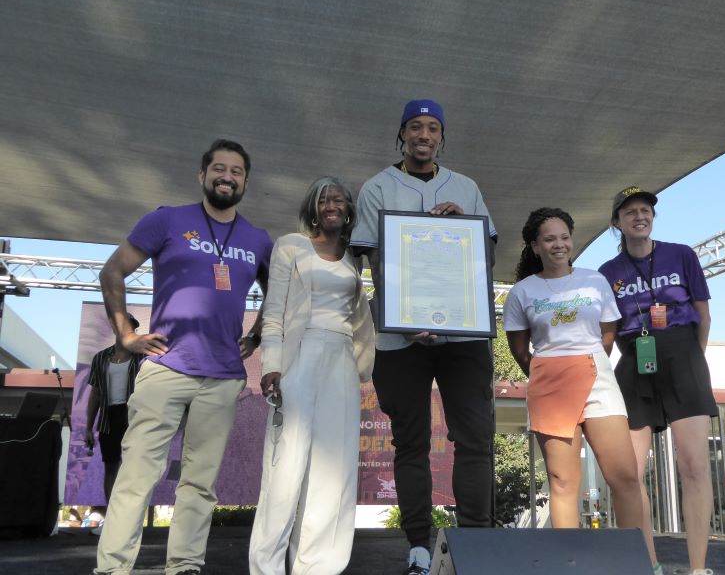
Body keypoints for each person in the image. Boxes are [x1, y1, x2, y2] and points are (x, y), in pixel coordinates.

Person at [94, 139, 272, 575]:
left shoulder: (258, 239)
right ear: (202, 175)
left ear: (246, 181)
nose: (226, 176)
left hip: (224, 376)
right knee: (136, 475)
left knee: (199, 483)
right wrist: (125, 336)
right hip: (165, 369)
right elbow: (112, 271)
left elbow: (279, 295)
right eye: (219, 169)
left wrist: (259, 332)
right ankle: (112, 568)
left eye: (236, 171)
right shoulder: (167, 220)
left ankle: (185, 565)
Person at [350, 99, 496, 575]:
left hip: (463, 336)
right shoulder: (376, 187)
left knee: (473, 438)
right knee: (409, 442)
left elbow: (484, 252)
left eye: (433, 128)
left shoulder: (467, 188)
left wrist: (459, 229)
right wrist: (403, 314)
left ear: (441, 138)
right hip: (400, 337)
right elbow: (371, 258)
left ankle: (475, 541)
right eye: (415, 126)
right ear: (402, 135)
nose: (424, 135)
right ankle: (417, 546)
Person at [249, 176, 375, 575]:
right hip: (298, 354)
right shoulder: (291, 245)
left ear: (349, 209)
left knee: (333, 469)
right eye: (324, 199)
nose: (331, 204)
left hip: (341, 358)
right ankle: (267, 566)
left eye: (338, 199)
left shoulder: (355, 257)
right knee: (286, 464)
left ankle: (318, 566)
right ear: (313, 207)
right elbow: (274, 311)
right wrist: (271, 364)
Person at [599, 186, 716, 575]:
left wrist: (688, 358)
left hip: (683, 356)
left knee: (694, 465)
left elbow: (703, 314)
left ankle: (698, 568)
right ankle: (647, 565)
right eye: (630, 211)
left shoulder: (682, 255)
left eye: (646, 209)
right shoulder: (608, 273)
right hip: (634, 359)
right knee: (630, 473)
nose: (640, 216)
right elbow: (607, 332)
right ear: (617, 222)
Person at [503, 207, 642, 532]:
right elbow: (520, 350)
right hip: (550, 385)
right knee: (563, 483)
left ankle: (638, 562)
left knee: (624, 476)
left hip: (597, 376)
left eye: (564, 237)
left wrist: (587, 363)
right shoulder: (522, 292)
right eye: (549, 239)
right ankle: (572, 565)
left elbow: (608, 333)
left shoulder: (594, 280)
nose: (559, 244)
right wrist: (552, 370)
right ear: (535, 246)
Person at [84, 312, 144, 504]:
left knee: (134, 467)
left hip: (134, 416)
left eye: (130, 327)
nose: (127, 330)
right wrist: (88, 427)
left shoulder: (143, 357)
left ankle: (130, 516)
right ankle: (111, 518)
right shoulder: (100, 358)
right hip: (108, 417)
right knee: (111, 466)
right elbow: (95, 394)